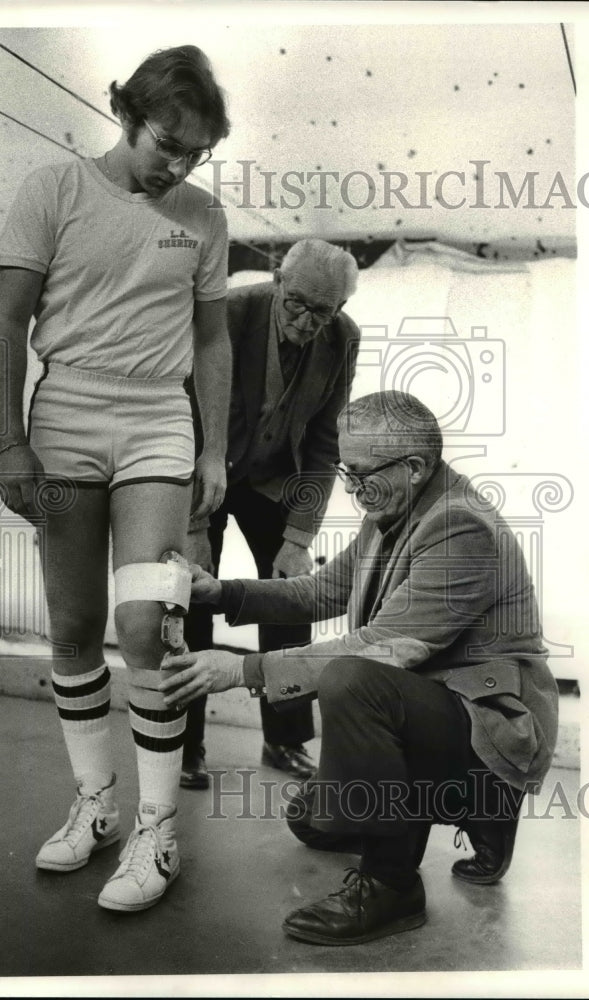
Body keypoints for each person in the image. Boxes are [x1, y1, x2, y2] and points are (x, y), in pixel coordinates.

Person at [160, 390, 559, 945]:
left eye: (361, 473)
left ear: (415, 467)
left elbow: (384, 645)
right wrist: (221, 593)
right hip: (436, 704)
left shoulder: (461, 527)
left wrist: (242, 670)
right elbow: (322, 590)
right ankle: (476, 809)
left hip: (486, 723)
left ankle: (393, 884)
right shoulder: (395, 505)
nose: (351, 488)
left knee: (355, 677)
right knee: (315, 817)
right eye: (345, 469)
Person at [0, 45, 232, 913]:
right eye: (169, 143)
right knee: (75, 626)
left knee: (144, 626)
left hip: (160, 420)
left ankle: (156, 829)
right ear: (128, 114)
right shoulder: (53, 191)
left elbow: (211, 339)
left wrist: (214, 450)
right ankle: (96, 805)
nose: (180, 165)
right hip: (66, 417)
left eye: (198, 152)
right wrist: (10, 443)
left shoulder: (203, 216)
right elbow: (7, 319)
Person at [180, 239, 360, 789]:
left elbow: (327, 438)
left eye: (323, 311)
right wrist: (190, 525)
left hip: (274, 478)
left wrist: (299, 536)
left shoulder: (344, 337)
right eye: (298, 303)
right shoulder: (228, 311)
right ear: (278, 280)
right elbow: (181, 414)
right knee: (189, 595)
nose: (308, 321)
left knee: (289, 597)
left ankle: (283, 741)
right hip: (204, 468)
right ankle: (185, 747)